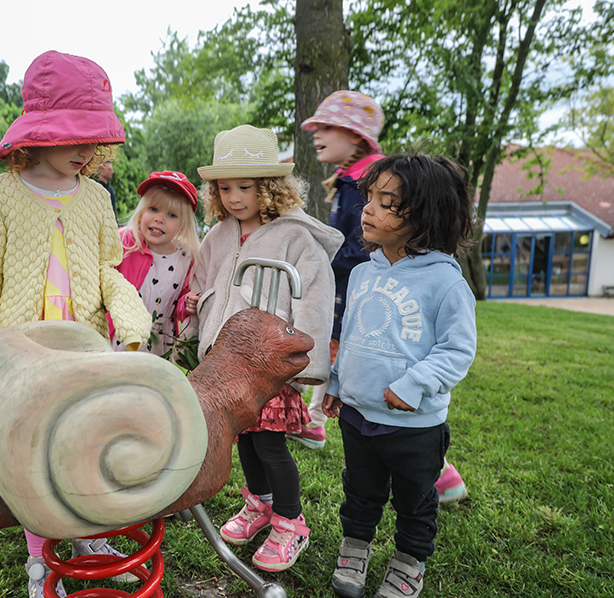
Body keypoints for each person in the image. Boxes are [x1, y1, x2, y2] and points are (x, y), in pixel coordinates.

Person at [0, 50, 151, 598]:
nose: (88, 150)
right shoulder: (0, 195)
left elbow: (106, 269)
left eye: (94, 138)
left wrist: (129, 315)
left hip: (85, 346)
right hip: (25, 353)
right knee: (34, 452)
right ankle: (39, 557)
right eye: (76, 136)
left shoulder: (96, 197)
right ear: (38, 134)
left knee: (84, 438)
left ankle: (89, 540)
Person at [184, 124, 344, 572]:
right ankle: (261, 504)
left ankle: (291, 522)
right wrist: (197, 307)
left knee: (271, 445)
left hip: (270, 364)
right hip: (229, 364)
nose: (235, 197)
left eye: (246, 187)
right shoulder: (218, 236)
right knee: (245, 442)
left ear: (269, 187)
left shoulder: (295, 237)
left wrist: (304, 365)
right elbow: (205, 286)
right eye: (225, 188)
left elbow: (313, 298)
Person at [299, 91, 468, 505]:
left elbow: (359, 248)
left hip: (369, 297)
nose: (316, 133)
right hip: (359, 294)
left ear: (355, 135)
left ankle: (438, 474)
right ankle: (319, 416)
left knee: (378, 368)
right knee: (352, 357)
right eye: (369, 200)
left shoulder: (370, 181)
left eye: (327, 126)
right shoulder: (351, 183)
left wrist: (329, 266)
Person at [322, 153, 478, 598]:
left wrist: (412, 386)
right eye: (370, 197)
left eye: (387, 202)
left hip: (413, 427)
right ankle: (356, 546)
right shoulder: (361, 273)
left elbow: (457, 351)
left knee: (415, 502)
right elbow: (350, 334)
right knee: (360, 492)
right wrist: (337, 383)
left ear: (426, 215)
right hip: (357, 416)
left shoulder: (445, 283)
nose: (367, 209)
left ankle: (409, 560)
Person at [110, 170, 200, 356]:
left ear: (183, 224)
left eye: (172, 215)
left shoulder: (186, 257)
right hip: (122, 338)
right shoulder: (124, 242)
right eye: (153, 209)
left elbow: (180, 298)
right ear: (141, 212)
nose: (159, 218)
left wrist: (187, 303)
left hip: (160, 342)